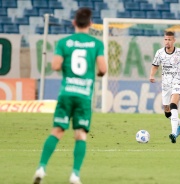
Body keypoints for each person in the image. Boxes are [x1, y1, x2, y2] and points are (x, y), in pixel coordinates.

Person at [33, 7, 107, 184]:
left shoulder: (64, 42)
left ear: (74, 22)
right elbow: (103, 69)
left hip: (67, 92)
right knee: (80, 134)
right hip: (83, 95)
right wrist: (95, 74)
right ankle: (75, 175)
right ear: (90, 24)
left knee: (57, 131)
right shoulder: (96, 44)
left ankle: (41, 168)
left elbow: (56, 65)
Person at [149, 31, 180, 144]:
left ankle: (174, 133)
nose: (167, 42)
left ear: (174, 40)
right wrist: (151, 75)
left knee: (173, 104)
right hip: (165, 84)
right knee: (167, 113)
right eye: (165, 39)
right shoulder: (159, 53)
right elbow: (155, 66)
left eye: (169, 39)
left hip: (177, 82)